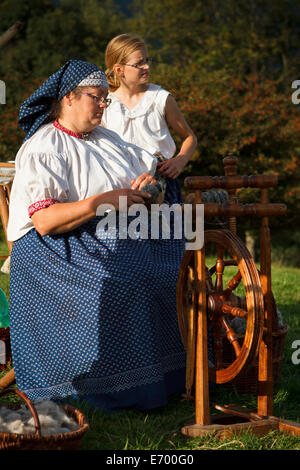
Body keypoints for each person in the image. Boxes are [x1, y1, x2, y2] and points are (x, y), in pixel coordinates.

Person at [7, 60, 186, 412]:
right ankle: (114, 389)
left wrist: (152, 186)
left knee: (174, 268)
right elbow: (44, 220)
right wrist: (101, 202)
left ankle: (173, 378)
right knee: (130, 278)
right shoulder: (45, 147)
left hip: (116, 235)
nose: (104, 105)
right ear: (69, 99)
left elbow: (156, 179)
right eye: (97, 97)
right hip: (56, 249)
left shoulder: (109, 139)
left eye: (106, 98)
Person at [102, 33, 197, 205]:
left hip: (162, 185)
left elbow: (190, 137)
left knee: (168, 231)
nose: (146, 66)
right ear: (118, 70)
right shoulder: (105, 104)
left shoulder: (161, 98)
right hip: (123, 185)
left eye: (147, 60)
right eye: (139, 63)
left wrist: (180, 160)